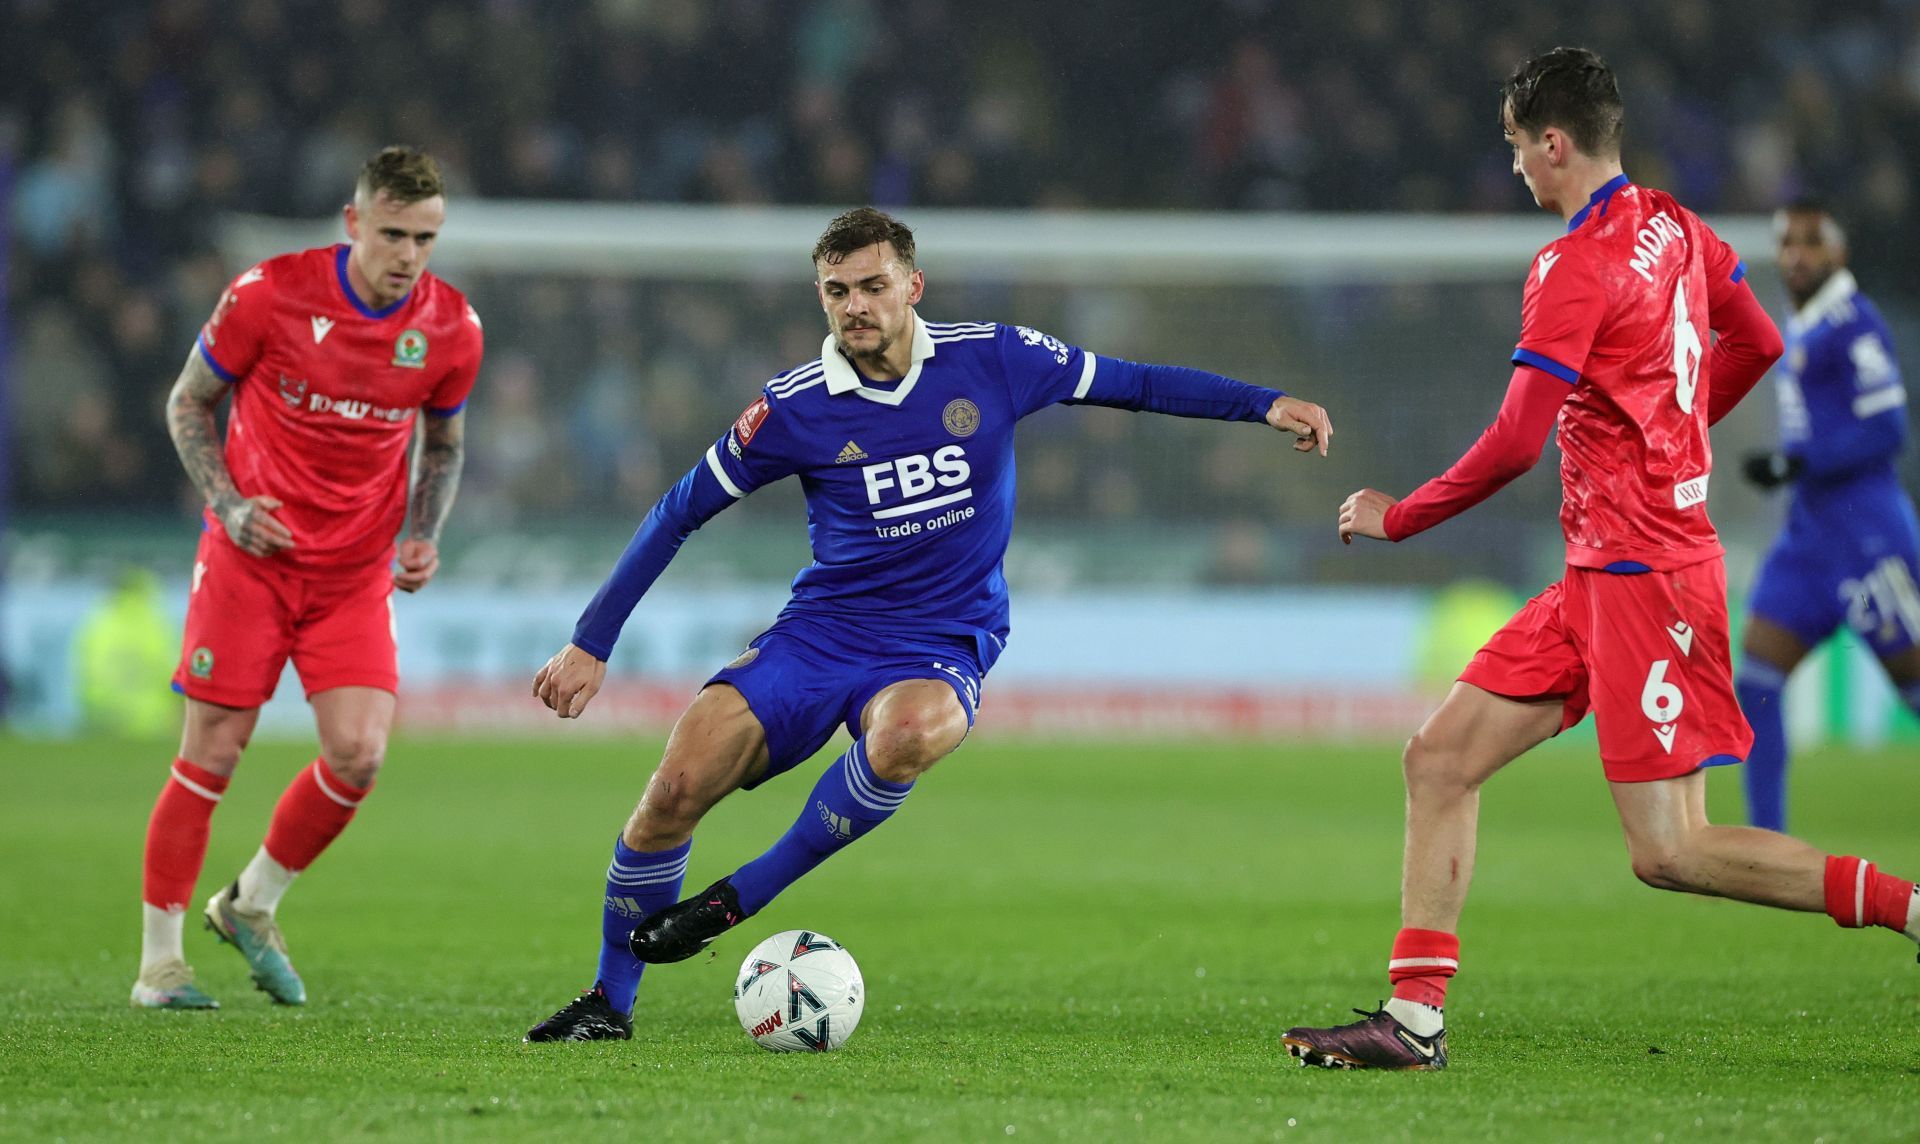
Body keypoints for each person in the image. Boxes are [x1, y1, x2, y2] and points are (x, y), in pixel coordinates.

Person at [523, 206, 1333, 1042]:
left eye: (873, 286)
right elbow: (676, 512)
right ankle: (608, 1006)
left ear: (913, 286)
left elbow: (1136, 382)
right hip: (821, 634)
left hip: (943, 639)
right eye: (836, 291)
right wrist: (592, 641)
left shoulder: (995, 358)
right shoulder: (793, 409)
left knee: (913, 730)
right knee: (675, 790)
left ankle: (743, 896)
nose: (855, 306)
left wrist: (1264, 404)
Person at [1280, 48, 1919, 1071]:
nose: (1515, 169)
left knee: (1670, 850)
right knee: (1439, 758)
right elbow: (1755, 341)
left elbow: (1518, 441)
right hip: (1598, 574)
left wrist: (1401, 518)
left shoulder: (1572, 266)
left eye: (1516, 148)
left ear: (1555, 142)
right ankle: (1413, 1020)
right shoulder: (1676, 225)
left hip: (1647, 580)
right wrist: (1674, 433)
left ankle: (1910, 906)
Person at [131, 147, 482, 1009]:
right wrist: (229, 501)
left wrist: (423, 533)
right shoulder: (269, 296)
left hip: (352, 574)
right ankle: (159, 965)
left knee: (359, 754)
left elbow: (443, 443)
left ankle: (250, 903)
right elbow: (186, 403)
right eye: (393, 233)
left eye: (425, 238)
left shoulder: (451, 329)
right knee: (211, 751)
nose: (408, 255)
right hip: (250, 561)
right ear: (353, 223)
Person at [1735, 200, 1920, 831]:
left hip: (1868, 538)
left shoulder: (1855, 323)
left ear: (1838, 252)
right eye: (1787, 242)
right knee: (1757, 677)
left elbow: (1888, 428)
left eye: (1811, 242)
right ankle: (1767, 848)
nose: (1796, 255)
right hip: (1808, 540)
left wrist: (1797, 464)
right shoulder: (1803, 324)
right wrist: (1793, 468)